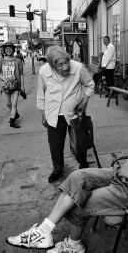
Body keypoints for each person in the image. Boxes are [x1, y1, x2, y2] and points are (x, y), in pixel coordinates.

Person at [6, 93, 128, 252]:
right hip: (124, 176)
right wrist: (126, 167)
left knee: (80, 203)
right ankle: (44, 232)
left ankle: (73, 246)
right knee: (77, 177)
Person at [36, 45, 95, 183]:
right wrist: (43, 114)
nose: (65, 67)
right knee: (55, 145)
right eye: (60, 65)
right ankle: (57, 169)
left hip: (75, 113)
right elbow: (41, 94)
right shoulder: (44, 71)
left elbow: (90, 84)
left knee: (79, 142)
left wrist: (85, 101)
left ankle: (83, 164)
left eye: (66, 62)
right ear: (52, 66)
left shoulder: (78, 67)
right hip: (53, 114)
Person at [0, 40, 25, 129]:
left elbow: (21, 74)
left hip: (16, 86)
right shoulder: (2, 60)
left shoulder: (18, 60)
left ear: (13, 49)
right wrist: (5, 79)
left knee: (14, 104)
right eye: (6, 48)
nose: (8, 50)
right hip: (5, 86)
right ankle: (15, 114)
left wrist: (22, 87)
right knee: (8, 104)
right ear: (4, 50)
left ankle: (12, 121)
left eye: (10, 48)